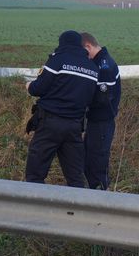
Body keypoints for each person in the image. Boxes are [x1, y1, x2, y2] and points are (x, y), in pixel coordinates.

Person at [25, 30, 98, 187]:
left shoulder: (58, 60)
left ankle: (34, 208)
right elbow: (91, 98)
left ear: (62, 43)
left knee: (35, 174)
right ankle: (77, 209)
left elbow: (39, 88)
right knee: (75, 177)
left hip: (49, 123)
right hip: (74, 128)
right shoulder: (92, 68)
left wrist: (29, 86)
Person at [81, 32, 121, 190]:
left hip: (101, 122)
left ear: (88, 47)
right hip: (96, 121)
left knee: (97, 159)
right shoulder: (100, 62)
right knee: (90, 157)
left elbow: (102, 99)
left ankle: (99, 192)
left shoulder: (104, 67)